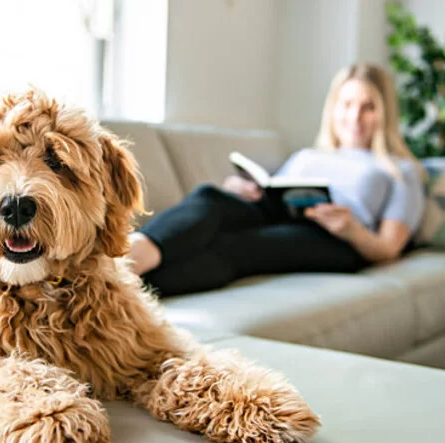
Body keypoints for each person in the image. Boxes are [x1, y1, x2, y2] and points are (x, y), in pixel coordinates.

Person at [127, 63, 427, 297]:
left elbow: (388, 248)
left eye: (368, 107)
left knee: (236, 247)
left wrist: (352, 230)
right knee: (210, 197)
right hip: (280, 216)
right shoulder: (308, 156)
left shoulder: (400, 170)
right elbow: (274, 194)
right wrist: (243, 192)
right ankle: (129, 257)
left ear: (384, 113)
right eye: (347, 104)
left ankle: (124, 286)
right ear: (333, 108)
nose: (355, 116)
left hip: (335, 240)